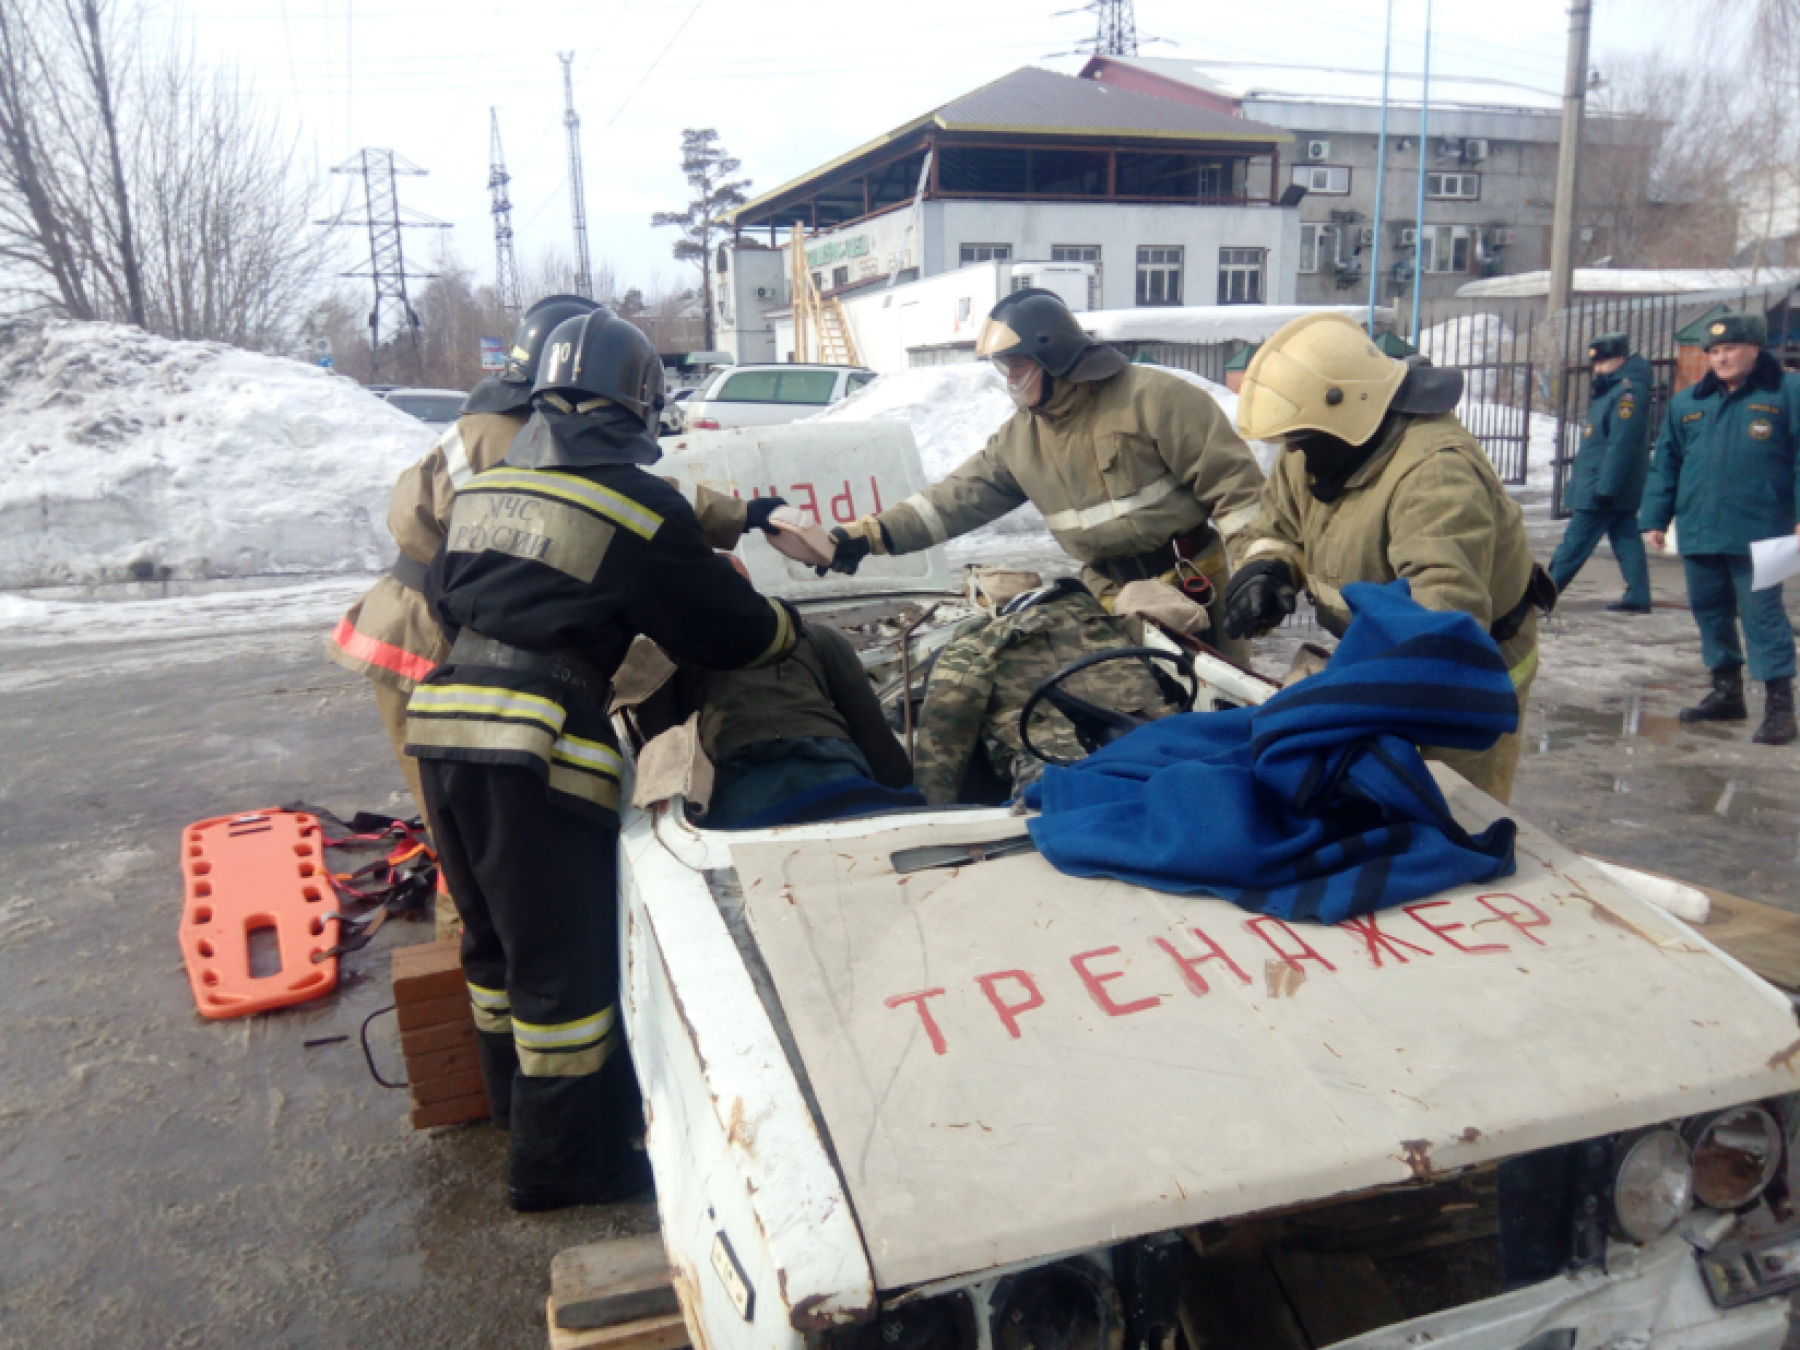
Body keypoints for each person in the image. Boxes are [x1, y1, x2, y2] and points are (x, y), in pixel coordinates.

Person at [404, 307, 801, 1212]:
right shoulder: (635, 500)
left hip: (445, 729)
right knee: (566, 969)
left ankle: (514, 1111)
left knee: (494, 943)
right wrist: (790, 628)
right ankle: (563, 1165)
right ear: (638, 409)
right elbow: (729, 630)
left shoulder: (486, 488)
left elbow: (443, 592)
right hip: (531, 743)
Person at [327, 293, 597, 937]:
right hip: (425, 641)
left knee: (471, 821)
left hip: (430, 632)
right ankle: (468, 969)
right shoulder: (511, 439)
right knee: (464, 830)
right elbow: (424, 527)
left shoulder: (524, 431)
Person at [819, 288, 1266, 660]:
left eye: (1017, 365)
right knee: (1135, 713)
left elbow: (1238, 493)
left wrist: (1259, 570)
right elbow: (954, 500)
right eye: (1004, 367)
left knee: (1224, 704)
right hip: (1110, 593)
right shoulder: (1021, 441)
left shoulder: (1156, 400)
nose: (1009, 379)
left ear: (1052, 356)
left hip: (1194, 586)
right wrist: (871, 535)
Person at [1223, 312, 1549, 804]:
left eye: (1298, 438)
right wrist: (1266, 568)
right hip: (1382, 659)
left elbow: (1440, 625)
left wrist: (1342, 701)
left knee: (1451, 810)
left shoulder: (1436, 475)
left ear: (1348, 409)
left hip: (1466, 679)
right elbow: (1278, 526)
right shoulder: (1319, 443)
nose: (1290, 450)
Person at [1640, 311, 1800, 746]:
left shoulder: (1787, 391)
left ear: (1754, 349)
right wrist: (1655, 518)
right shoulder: (1688, 402)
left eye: (1730, 349)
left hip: (1763, 530)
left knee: (1762, 616)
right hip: (1700, 526)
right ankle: (1727, 691)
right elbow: (1666, 462)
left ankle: (1780, 706)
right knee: (1710, 611)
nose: (1721, 358)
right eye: (1714, 351)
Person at [912, 575, 1181, 805]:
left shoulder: (979, 642)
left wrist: (930, 809)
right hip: (1161, 748)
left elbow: (945, 723)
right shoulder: (1108, 621)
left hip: (1054, 772)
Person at [681, 597, 916, 828]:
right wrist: (904, 796)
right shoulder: (816, 637)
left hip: (741, 777)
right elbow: (869, 725)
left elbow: (661, 740)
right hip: (828, 761)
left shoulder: (680, 654)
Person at [1546, 332, 1654, 613]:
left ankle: (1545, 592)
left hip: (1603, 485)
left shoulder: (1626, 392)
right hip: (1607, 482)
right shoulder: (1614, 389)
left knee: (1575, 542)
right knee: (1625, 536)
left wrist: (1607, 487)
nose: (1597, 369)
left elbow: (1621, 443)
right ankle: (1638, 594)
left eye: (1603, 363)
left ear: (1620, 359)